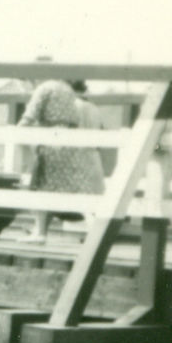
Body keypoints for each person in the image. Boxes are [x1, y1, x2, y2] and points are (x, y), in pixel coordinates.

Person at [19, 74, 106, 236]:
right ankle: (95, 233)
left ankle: (39, 233)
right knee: (80, 194)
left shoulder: (43, 89)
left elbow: (26, 120)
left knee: (40, 188)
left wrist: (25, 140)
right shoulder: (68, 91)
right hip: (74, 148)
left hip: (51, 145)